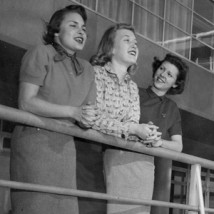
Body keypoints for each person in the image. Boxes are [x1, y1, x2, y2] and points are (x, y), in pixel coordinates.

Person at [10, 5, 98, 214]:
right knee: (36, 207)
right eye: (74, 25)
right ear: (56, 31)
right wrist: (72, 112)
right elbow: (26, 102)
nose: (81, 32)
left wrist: (87, 119)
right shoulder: (41, 53)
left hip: (66, 147)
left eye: (84, 29)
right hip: (35, 142)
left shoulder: (87, 69)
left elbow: (88, 112)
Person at [89, 23, 161, 214]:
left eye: (135, 42)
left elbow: (131, 124)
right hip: (91, 157)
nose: (134, 45)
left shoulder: (132, 87)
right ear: (111, 48)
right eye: (126, 40)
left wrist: (146, 133)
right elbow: (93, 118)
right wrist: (133, 129)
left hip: (118, 158)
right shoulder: (95, 74)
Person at [139, 53, 189, 214]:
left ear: (175, 84)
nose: (162, 75)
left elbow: (178, 146)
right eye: (162, 69)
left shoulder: (172, 108)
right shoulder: (135, 92)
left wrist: (159, 142)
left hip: (159, 168)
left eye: (169, 74)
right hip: (130, 160)